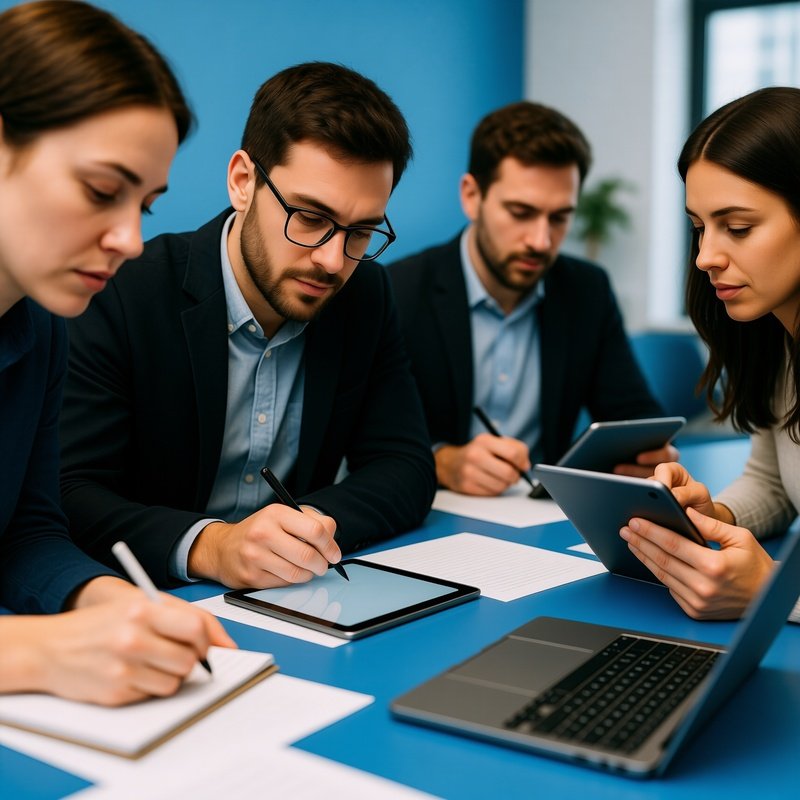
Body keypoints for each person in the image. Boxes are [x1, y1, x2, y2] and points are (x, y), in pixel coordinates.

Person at [60, 62, 436, 592]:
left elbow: (407, 467)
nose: (333, 260)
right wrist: (213, 546)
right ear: (243, 182)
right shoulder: (124, 293)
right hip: (157, 600)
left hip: (298, 596)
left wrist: (298, 531)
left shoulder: (364, 294)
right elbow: (69, 492)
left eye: (361, 232)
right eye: (309, 217)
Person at [0, 0, 234, 705]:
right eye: (102, 191)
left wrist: (109, 602)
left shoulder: (41, 326)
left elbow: (25, 531)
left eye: (146, 205)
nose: (130, 240)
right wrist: (38, 654)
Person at [387, 101, 671, 496]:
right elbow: (363, 443)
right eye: (521, 212)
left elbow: (632, 415)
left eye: (559, 218)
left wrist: (646, 459)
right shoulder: (398, 291)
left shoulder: (586, 291)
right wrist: (441, 462)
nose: (541, 240)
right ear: (472, 196)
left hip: (546, 519)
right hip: (432, 515)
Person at [619, 86, 800, 620]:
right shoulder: (779, 343)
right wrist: (710, 514)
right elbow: (776, 484)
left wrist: (772, 595)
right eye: (699, 228)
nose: (705, 257)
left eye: (738, 227)